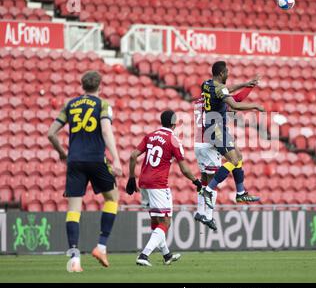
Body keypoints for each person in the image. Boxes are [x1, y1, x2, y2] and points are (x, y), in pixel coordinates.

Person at [47, 71, 122, 273]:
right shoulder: (103, 104)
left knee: (74, 209)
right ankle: (101, 247)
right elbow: (106, 131)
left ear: (82, 86)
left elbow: (51, 133)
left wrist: (62, 153)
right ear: (100, 86)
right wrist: (116, 159)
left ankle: (74, 258)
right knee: (113, 198)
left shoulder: (70, 104)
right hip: (96, 160)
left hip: (75, 161)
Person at [126, 110, 202, 266]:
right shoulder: (173, 140)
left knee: (156, 220)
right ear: (174, 123)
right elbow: (184, 169)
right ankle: (144, 255)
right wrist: (196, 181)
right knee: (166, 222)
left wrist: (131, 178)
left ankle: (167, 255)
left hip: (143, 182)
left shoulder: (150, 136)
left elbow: (133, 155)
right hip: (158, 184)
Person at [200, 61, 265, 209]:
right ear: (222, 73)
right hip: (215, 130)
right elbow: (235, 104)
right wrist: (255, 106)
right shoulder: (220, 89)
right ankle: (208, 190)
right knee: (234, 160)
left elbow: (226, 89)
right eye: (227, 72)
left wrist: (246, 84)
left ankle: (240, 193)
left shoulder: (206, 84)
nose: (228, 74)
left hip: (215, 128)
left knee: (239, 156)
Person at [193, 85, 257, 231]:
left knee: (204, 177)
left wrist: (248, 84)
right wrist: (250, 88)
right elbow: (236, 99)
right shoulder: (216, 102)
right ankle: (208, 216)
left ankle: (200, 211)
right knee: (219, 174)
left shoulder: (199, 102)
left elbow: (229, 95)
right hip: (210, 141)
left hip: (198, 142)